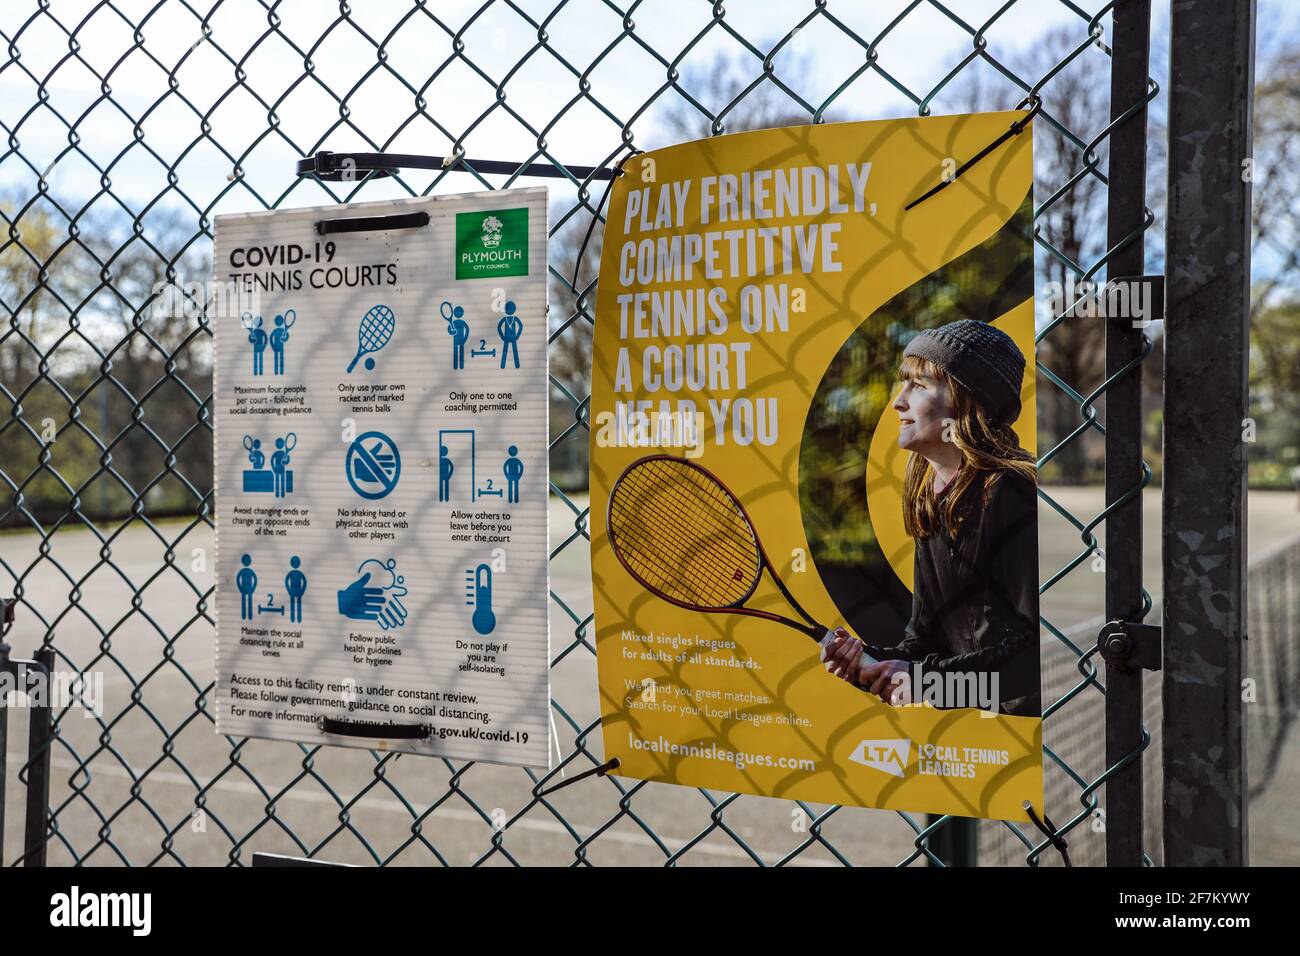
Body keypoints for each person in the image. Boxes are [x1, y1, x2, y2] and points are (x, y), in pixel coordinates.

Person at [822, 320, 1041, 717]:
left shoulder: (1011, 493)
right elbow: (923, 642)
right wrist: (869, 663)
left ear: (965, 401)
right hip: (978, 731)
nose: (897, 402)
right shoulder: (932, 499)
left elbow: (1033, 659)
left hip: (1027, 741)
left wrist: (925, 679)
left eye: (918, 386)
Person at [497, 301, 523, 370]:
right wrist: (502, 336)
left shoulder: (515, 319)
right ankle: (502, 366)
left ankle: (517, 365)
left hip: (513, 337)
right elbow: (499, 326)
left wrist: (517, 335)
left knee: (515, 351)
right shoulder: (505, 319)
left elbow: (520, 326)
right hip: (506, 338)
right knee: (505, 351)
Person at [285, 556, 306, 624]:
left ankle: (299, 619)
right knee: (293, 605)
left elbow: (304, 581)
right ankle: (292, 619)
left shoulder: (299, 573)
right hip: (293, 591)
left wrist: (302, 590)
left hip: (298, 591)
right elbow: (286, 581)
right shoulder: (291, 573)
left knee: (298, 605)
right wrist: (289, 590)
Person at [236, 554, 257, 620]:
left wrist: (253, 588)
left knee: (249, 603)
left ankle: (250, 617)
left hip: (249, 589)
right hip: (244, 589)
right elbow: (238, 579)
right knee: (244, 602)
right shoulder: (242, 571)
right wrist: (240, 588)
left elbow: (255, 579)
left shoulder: (250, 571)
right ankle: (244, 616)